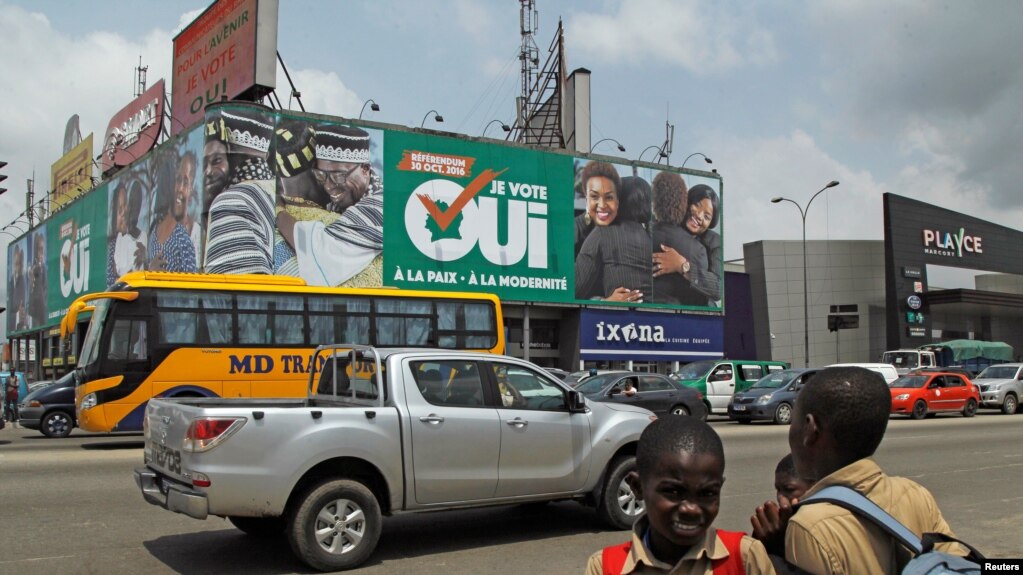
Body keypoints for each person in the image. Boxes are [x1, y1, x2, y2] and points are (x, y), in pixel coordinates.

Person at [782, 366, 965, 573]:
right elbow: (956, 561)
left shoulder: (809, 526)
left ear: (809, 429)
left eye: (793, 421)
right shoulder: (915, 494)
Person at [586, 416, 774, 574]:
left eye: (707, 493)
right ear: (638, 487)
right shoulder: (606, 567)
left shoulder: (744, 557)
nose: (690, 509)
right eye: (674, 492)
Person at [275, 123, 383, 287]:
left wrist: (279, 211)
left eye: (338, 176)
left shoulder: (382, 206)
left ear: (365, 169)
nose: (329, 186)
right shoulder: (336, 205)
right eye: (321, 175)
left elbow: (318, 249)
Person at [203, 105, 278, 275]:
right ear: (265, 156)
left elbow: (234, 292)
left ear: (228, 152)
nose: (208, 172)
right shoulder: (278, 191)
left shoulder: (230, 201)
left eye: (217, 160)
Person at [575, 173, 652, 302]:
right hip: (663, 318)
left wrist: (601, 300)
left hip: (617, 317)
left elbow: (574, 287)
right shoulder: (656, 237)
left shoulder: (602, 233)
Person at [652, 184, 721, 306]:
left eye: (706, 216)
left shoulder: (713, 242)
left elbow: (718, 288)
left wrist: (682, 265)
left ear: (711, 223)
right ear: (687, 202)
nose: (699, 216)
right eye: (697, 205)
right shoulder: (665, 226)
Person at [149, 150, 199, 272]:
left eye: (186, 182)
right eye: (177, 180)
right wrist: (151, 272)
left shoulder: (182, 237)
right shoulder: (154, 233)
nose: (179, 188)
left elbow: (190, 285)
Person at [574, 161, 620, 257]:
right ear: (586, 199)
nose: (602, 205)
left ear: (617, 201)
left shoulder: (626, 231)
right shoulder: (574, 229)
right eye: (594, 196)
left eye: (609, 197)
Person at [108, 180, 148, 285]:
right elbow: (111, 283)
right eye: (119, 210)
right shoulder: (116, 242)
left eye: (125, 204)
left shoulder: (143, 236)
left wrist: (145, 258)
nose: (125, 211)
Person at [28, 231, 47, 327]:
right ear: (36, 250)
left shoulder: (44, 268)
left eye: (43, 249)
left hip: (45, 313)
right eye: (40, 249)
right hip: (35, 314)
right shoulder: (32, 269)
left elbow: (46, 288)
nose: (41, 253)